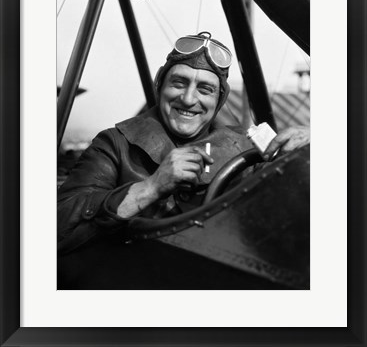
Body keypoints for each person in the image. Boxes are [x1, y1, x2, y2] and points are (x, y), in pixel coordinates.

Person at [58, 32, 309, 255]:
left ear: (219, 100)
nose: (189, 99)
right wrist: (149, 188)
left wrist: (310, 153)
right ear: (160, 87)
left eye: (205, 89)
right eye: (178, 83)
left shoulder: (244, 150)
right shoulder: (114, 144)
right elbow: (58, 230)